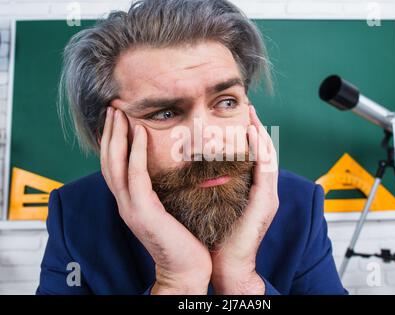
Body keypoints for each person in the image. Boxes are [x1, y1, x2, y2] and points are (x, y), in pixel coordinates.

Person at [36, 0, 347, 295]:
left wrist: (241, 281)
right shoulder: (75, 216)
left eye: (226, 102)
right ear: (108, 138)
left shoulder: (299, 205)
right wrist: (177, 283)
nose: (207, 144)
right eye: (165, 113)